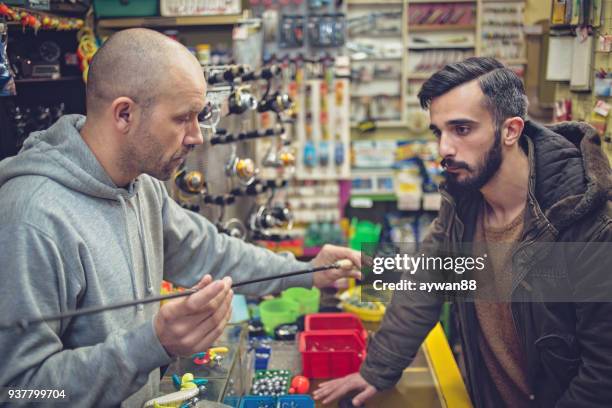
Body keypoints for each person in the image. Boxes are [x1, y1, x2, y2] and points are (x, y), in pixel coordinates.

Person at [0, 28, 361, 407]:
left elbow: (210, 251)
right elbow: (19, 391)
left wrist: (306, 271)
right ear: (124, 113)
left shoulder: (142, 185)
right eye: (182, 118)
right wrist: (151, 345)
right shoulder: (32, 220)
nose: (197, 137)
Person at [314, 57, 612, 407]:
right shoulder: (464, 198)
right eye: (439, 132)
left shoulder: (586, 225)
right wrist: (376, 371)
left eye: (462, 129)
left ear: (510, 130)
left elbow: (602, 375)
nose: (444, 149)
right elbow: (426, 283)